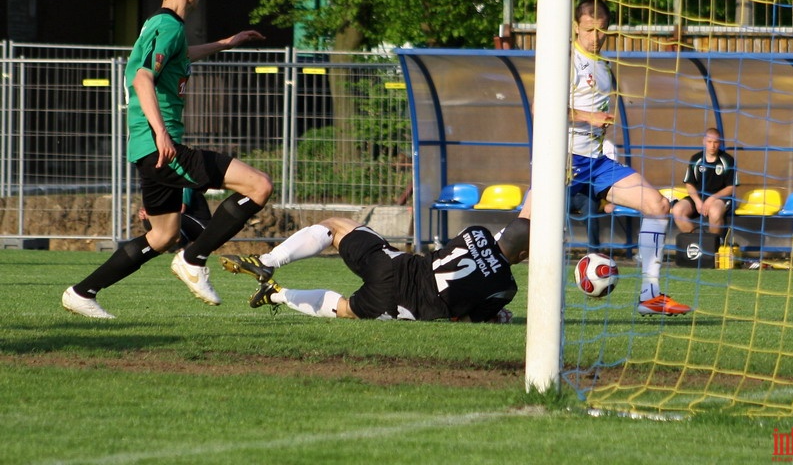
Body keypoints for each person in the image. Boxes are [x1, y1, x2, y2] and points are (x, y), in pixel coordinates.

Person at [62, 0, 273, 319]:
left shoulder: (158, 25)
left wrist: (225, 43)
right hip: (165, 147)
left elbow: (179, 56)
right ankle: (194, 259)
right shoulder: (170, 26)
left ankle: (81, 292)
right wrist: (162, 133)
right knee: (259, 186)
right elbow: (143, 77)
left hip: (147, 148)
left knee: (162, 236)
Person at [568, 0, 690, 316]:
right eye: (589, 29)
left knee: (659, 205)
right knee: (522, 235)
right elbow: (541, 110)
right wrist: (587, 117)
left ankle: (650, 296)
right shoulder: (566, 61)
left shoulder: (605, 67)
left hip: (596, 162)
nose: (596, 36)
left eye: (602, 30)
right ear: (576, 28)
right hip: (564, 162)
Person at [218, 208, 530, 323]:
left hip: (394, 266)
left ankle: (268, 261)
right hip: (402, 304)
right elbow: (464, 321)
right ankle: (277, 295)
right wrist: (496, 315)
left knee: (336, 227)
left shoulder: (477, 232)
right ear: (524, 255)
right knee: (345, 308)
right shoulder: (507, 288)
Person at [671, 127, 738, 236]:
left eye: (715, 142)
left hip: (720, 198)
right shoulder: (696, 159)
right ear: (704, 141)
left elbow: (731, 187)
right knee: (677, 210)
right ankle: (697, 244)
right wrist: (697, 201)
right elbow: (689, 184)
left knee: (715, 212)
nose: (712, 146)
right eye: (709, 142)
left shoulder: (728, 160)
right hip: (699, 197)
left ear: (719, 143)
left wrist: (712, 198)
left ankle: (713, 247)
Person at [569, 139, 618, 249]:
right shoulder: (567, 141)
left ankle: (594, 252)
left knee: (590, 216)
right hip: (566, 191)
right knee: (550, 214)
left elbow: (610, 176)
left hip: (588, 193)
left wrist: (611, 201)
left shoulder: (607, 146)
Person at [138, 188, 212, 250]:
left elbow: (181, 209)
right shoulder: (164, 188)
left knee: (174, 217)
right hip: (186, 223)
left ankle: (182, 248)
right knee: (149, 219)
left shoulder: (185, 185)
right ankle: (163, 246)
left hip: (203, 226)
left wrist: (154, 214)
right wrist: (146, 214)